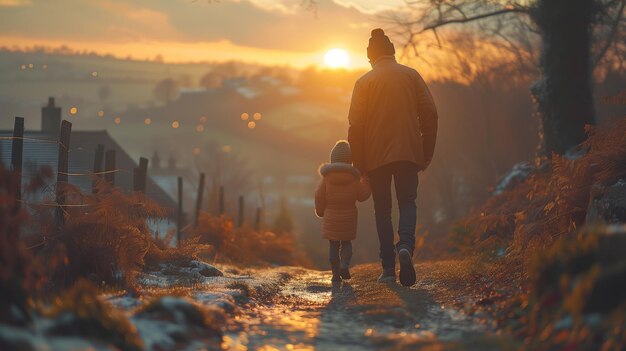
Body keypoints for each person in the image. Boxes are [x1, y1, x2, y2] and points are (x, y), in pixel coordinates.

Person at [347, 28, 439, 287]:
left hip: (375, 159)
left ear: (370, 57)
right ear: (392, 52)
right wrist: (425, 151)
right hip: (409, 153)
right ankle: (406, 246)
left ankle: (388, 267)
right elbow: (430, 114)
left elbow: (356, 126)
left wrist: (359, 165)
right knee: (408, 202)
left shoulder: (364, 82)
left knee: (383, 210)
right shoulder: (411, 76)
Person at [315, 140, 371, 282]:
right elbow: (363, 195)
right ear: (349, 160)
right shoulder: (353, 178)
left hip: (331, 216)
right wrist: (366, 180)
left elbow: (319, 195)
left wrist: (320, 211)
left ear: (332, 159)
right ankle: (345, 265)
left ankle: (335, 274)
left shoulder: (326, 178)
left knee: (333, 245)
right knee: (346, 243)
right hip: (349, 217)